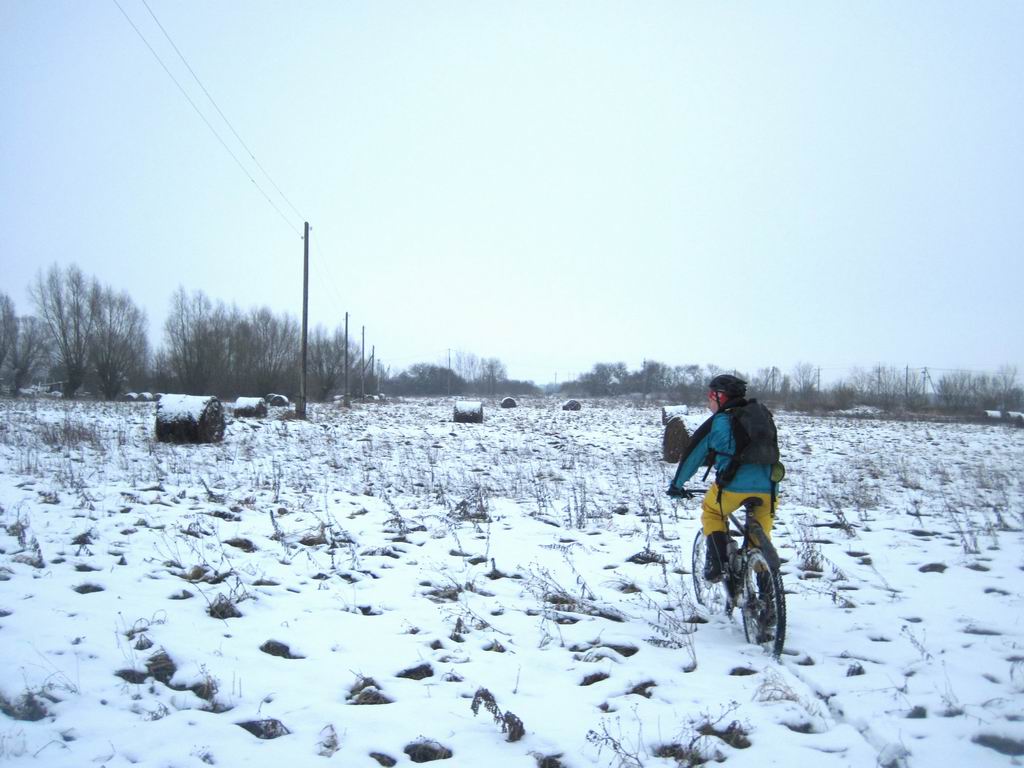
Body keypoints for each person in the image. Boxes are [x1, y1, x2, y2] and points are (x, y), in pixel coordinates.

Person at [667, 374, 778, 582]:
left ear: (719, 397)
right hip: (769, 488)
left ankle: (718, 565)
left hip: (732, 487)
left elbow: (692, 456)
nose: (708, 400)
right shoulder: (761, 415)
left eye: (710, 396)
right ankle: (767, 594)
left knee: (711, 513)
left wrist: (677, 485)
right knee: (758, 540)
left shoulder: (719, 421)